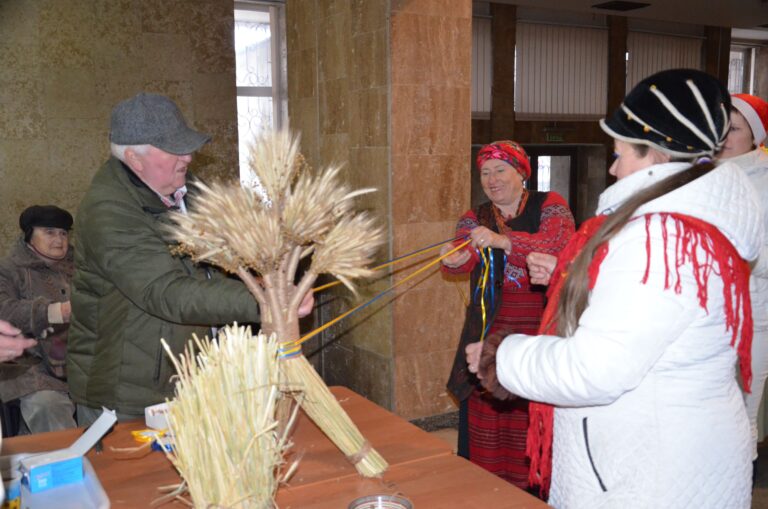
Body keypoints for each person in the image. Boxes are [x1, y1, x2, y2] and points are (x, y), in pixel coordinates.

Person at [467, 69, 762, 508]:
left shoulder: (660, 239)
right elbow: (648, 311)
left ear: (654, 155)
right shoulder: (687, 225)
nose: (612, 168)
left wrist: (502, 357)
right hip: (672, 449)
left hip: (647, 474)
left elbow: (595, 368)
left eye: (620, 154)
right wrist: (571, 277)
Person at [68, 93, 313, 425]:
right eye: (174, 149)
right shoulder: (108, 210)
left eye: (186, 146)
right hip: (130, 396)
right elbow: (166, 291)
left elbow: (216, 265)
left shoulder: (191, 190)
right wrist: (262, 300)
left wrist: (265, 271)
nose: (188, 156)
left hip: (195, 379)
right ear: (134, 158)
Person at [441, 140, 574, 489]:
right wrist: (453, 257)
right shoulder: (475, 218)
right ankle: (488, 489)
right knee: (488, 410)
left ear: (521, 173)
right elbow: (465, 254)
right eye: (485, 173)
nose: (492, 179)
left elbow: (558, 246)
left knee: (531, 406)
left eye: (500, 170)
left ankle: (533, 490)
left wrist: (503, 241)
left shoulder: (550, 204)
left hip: (538, 327)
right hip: (488, 329)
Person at [718, 93, 768, 464]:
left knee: (742, 416)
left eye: (734, 129)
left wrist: (735, 251)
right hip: (704, 314)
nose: (724, 137)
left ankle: (739, 485)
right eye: (719, 127)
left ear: (755, 136)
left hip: (754, 316)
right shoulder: (699, 174)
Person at [0, 205, 77, 433]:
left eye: (63, 233)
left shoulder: (82, 267)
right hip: (31, 367)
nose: (59, 240)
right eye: (49, 232)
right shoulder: (9, 270)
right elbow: (4, 310)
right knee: (48, 406)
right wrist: (55, 311)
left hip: (83, 364)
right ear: (29, 236)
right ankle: (64, 457)